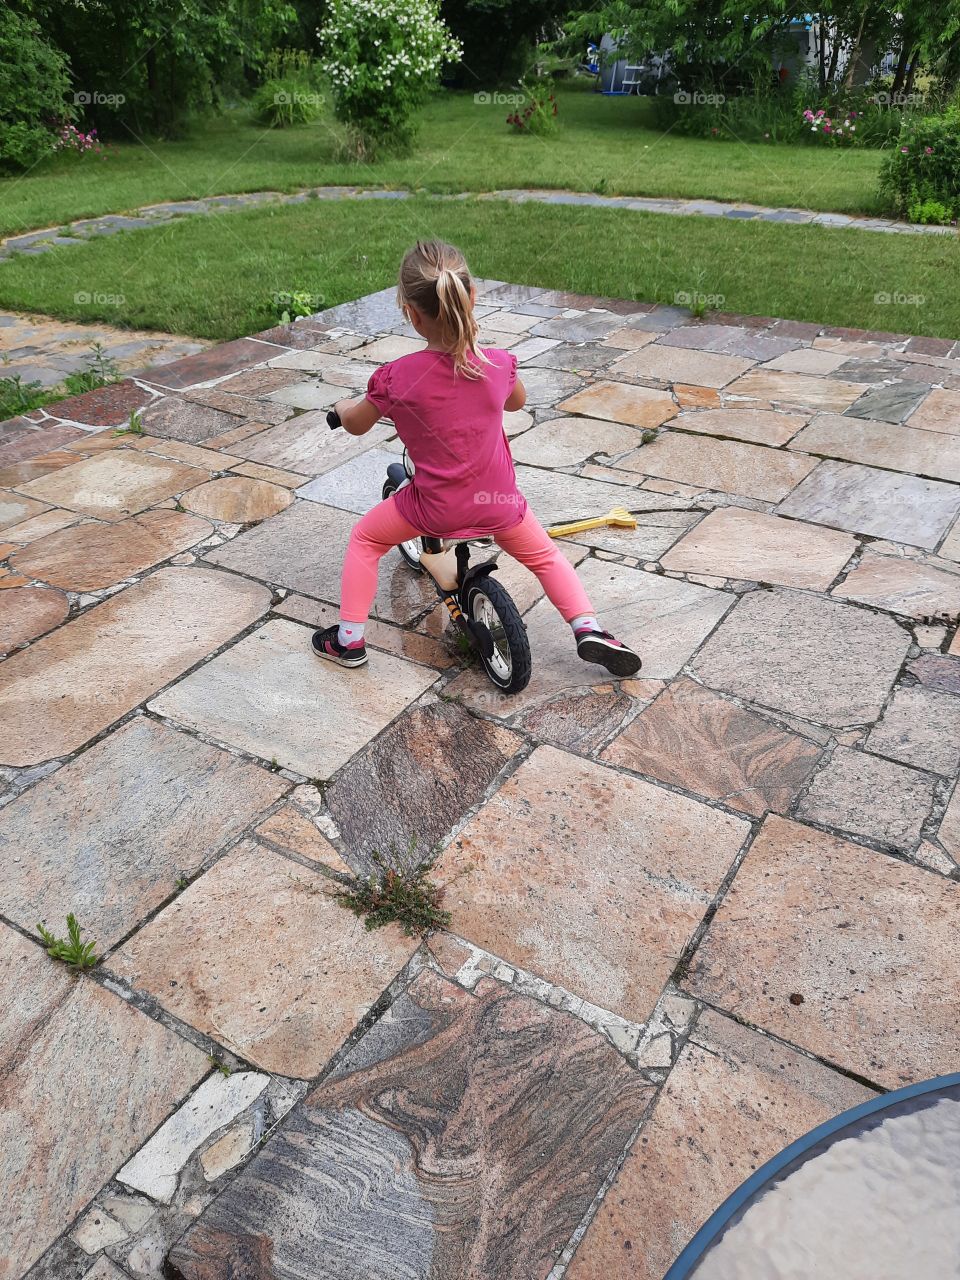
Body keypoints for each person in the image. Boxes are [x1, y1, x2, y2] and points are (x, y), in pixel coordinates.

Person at [312, 239, 642, 678]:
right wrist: (489, 364)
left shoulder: (394, 379)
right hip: (499, 503)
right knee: (545, 556)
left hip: (434, 507)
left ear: (411, 313)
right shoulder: (499, 363)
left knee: (367, 540)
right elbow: (516, 404)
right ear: (472, 298)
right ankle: (589, 628)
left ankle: (349, 640)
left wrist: (340, 408)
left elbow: (355, 424)